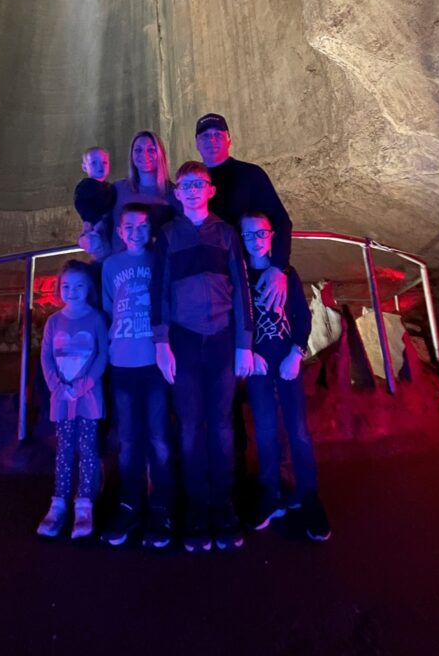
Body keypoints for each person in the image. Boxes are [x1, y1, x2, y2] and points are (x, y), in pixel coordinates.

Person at [153, 161, 254, 552]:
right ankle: (196, 506)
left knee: (222, 424)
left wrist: (244, 342)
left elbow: (242, 288)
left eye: (199, 183)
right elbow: (160, 289)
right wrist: (161, 342)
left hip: (222, 339)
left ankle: (223, 504)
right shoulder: (167, 235)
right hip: (183, 339)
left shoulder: (226, 234)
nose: (193, 189)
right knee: (191, 424)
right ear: (177, 193)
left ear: (210, 190)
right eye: (186, 185)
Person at [240, 212, 331, 542]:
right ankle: (271, 491)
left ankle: (308, 494)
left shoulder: (287, 274)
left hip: (287, 359)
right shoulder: (240, 276)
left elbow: (301, 316)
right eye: (248, 235)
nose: (256, 241)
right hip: (258, 363)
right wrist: (248, 351)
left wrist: (297, 352)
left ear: (271, 235)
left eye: (261, 233)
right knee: (265, 430)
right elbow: (239, 316)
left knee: (298, 430)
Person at [100, 203, 172, 548]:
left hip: (154, 361)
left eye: (143, 226)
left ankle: (161, 505)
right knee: (128, 439)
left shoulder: (159, 260)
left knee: (159, 437)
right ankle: (130, 502)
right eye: (129, 226)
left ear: (151, 229)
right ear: (119, 231)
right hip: (123, 361)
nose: (136, 232)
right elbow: (109, 307)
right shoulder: (111, 265)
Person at [37, 260, 108, 540]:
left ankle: (85, 502)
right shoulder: (53, 322)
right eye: (67, 286)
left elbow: (102, 353)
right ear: (59, 288)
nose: (72, 291)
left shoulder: (96, 319)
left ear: (89, 288)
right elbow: (46, 357)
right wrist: (57, 387)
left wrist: (83, 385)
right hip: (62, 398)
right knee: (64, 448)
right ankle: (59, 501)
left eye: (79, 286)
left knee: (88, 448)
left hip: (87, 397)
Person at [195, 113, 292, 312]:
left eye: (218, 134)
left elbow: (280, 220)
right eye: (205, 136)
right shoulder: (193, 183)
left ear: (229, 139)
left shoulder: (251, 175)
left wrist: (278, 266)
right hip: (211, 277)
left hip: (251, 275)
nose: (212, 140)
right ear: (196, 143)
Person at [79, 131, 179, 260]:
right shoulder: (116, 189)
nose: (144, 154)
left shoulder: (176, 194)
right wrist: (90, 239)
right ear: (131, 155)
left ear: (160, 154)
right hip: (120, 268)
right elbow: (99, 227)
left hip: (160, 267)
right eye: (138, 150)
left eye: (151, 149)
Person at [73, 147, 116, 264]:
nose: (100, 166)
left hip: (109, 227)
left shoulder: (109, 187)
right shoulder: (85, 186)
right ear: (84, 167)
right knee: (103, 253)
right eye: (94, 163)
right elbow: (81, 205)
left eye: (104, 162)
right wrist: (96, 221)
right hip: (97, 228)